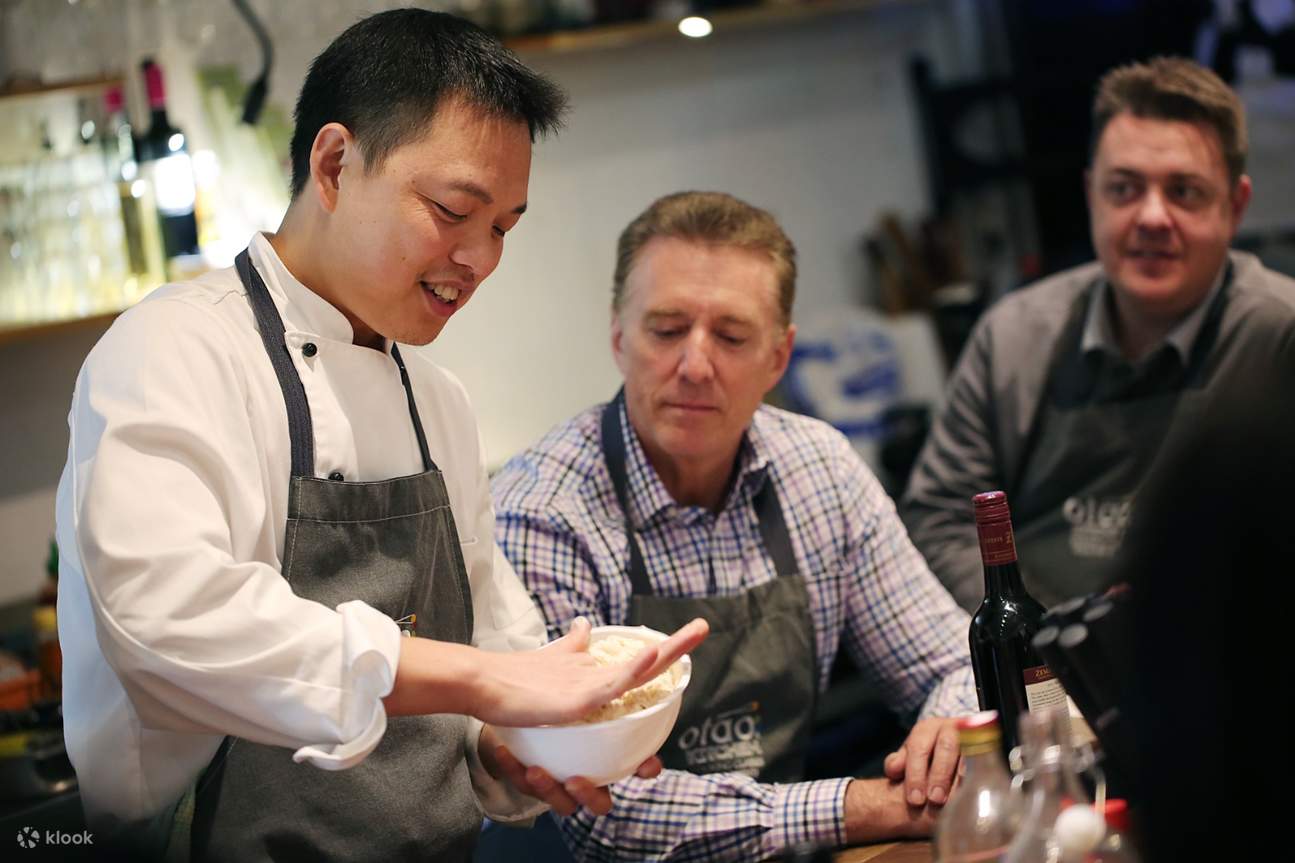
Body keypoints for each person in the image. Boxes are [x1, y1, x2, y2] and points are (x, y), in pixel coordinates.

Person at [54, 11, 705, 861]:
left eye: (504, 225)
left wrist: (509, 745)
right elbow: (165, 623)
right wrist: (484, 680)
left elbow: (493, 643)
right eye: (452, 210)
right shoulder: (171, 351)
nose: (479, 258)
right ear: (333, 164)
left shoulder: (438, 400)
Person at [490, 191, 978, 862]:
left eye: (731, 335)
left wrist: (945, 734)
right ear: (617, 336)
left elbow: (952, 661)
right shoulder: (543, 512)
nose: (694, 364)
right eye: (665, 329)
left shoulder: (819, 471)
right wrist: (862, 804)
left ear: (778, 357)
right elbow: (600, 808)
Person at [901, 56, 1295, 612]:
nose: (1152, 217)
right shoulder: (1013, 337)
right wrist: (1045, 648)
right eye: (1125, 189)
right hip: (1040, 670)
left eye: (1184, 192)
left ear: (1235, 207)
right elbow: (940, 519)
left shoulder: (1281, 339)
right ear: (1092, 195)